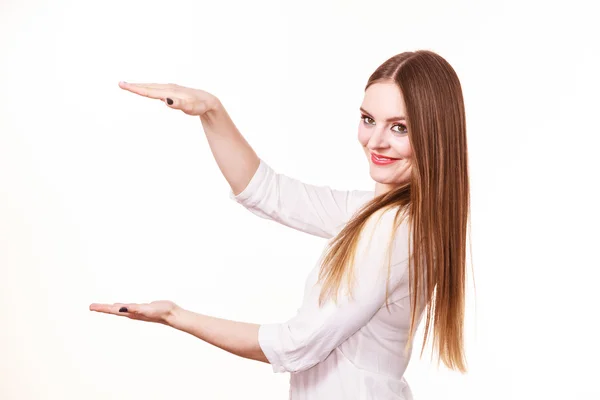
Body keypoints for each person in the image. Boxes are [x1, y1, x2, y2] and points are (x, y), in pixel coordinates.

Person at [90, 49, 470, 400]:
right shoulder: (385, 213)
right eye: (368, 120)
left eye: (399, 127)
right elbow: (268, 192)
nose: (375, 141)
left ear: (434, 133)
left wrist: (174, 316)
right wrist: (211, 110)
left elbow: (295, 346)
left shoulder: (393, 230)